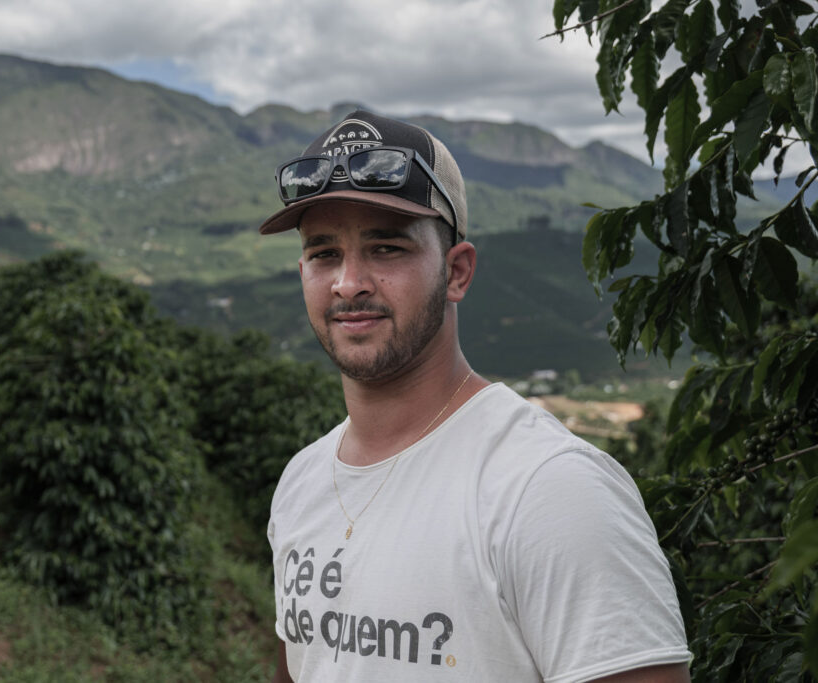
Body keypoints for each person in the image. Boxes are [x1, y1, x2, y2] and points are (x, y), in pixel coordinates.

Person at [259, 110, 692, 682]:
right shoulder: (301, 482)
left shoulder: (549, 489)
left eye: (386, 248)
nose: (349, 282)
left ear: (457, 272)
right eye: (323, 253)